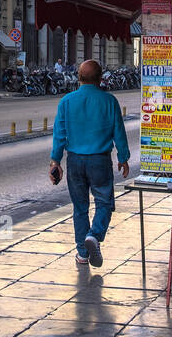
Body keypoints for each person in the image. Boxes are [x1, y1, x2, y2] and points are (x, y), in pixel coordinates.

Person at [49, 59, 130, 267]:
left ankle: (82, 254)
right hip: (100, 161)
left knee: (80, 207)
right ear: (100, 79)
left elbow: (60, 135)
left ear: (79, 77)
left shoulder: (66, 102)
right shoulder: (109, 101)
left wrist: (55, 161)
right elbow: (118, 132)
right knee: (104, 203)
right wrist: (123, 158)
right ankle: (94, 235)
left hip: (75, 160)